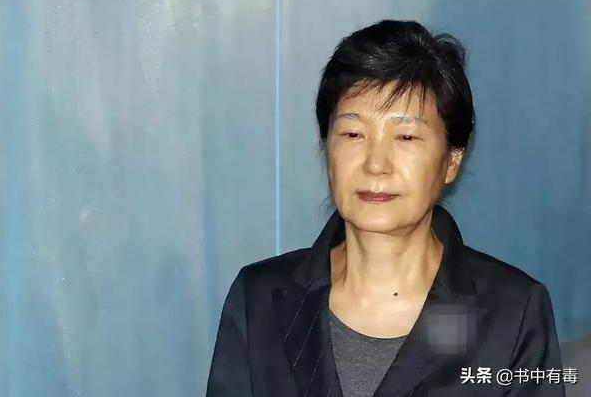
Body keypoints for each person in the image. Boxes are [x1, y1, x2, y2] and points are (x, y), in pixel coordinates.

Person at [206, 20, 565, 396]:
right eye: (353, 134)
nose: (376, 164)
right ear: (327, 147)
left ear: (452, 160)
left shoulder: (514, 312)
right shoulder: (258, 298)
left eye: (406, 136)